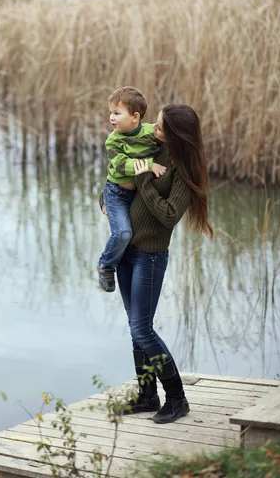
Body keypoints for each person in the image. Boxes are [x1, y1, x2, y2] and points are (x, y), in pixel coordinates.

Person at [100, 103, 213, 423]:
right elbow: (116, 178)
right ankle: (147, 396)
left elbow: (167, 215)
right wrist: (104, 202)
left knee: (142, 328)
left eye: (161, 127)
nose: (154, 130)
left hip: (149, 256)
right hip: (125, 253)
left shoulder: (184, 169)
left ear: (177, 135)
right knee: (136, 330)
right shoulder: (153, 146)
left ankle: (177, 399)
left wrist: (145, 180)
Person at [97, 87, 167, 294]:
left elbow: (164, 141)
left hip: (138, 194)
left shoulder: (149, 133)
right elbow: (120, 165)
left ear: (135, 117)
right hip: (117, 194)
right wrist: (148, 165)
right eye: (110, 113)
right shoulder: (114, 140)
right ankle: (105, 264)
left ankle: (130, 270)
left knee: (137, 236)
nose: (111, 118)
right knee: (123, 233)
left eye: (117, 113)